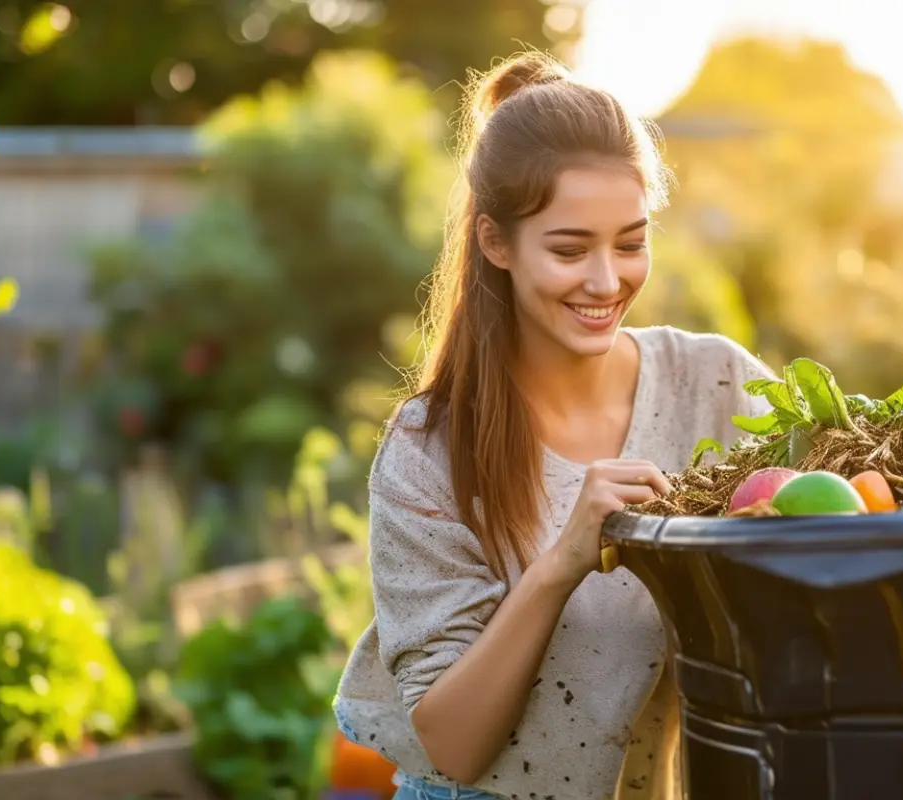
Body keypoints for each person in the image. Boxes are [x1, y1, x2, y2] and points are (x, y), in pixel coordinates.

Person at [333, 50, 775, 800]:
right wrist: (565, 559)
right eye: (570, 249)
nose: (607, 281)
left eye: (631, 243)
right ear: (496, 243)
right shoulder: (429, 452)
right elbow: (456, 745)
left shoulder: (718, 386)